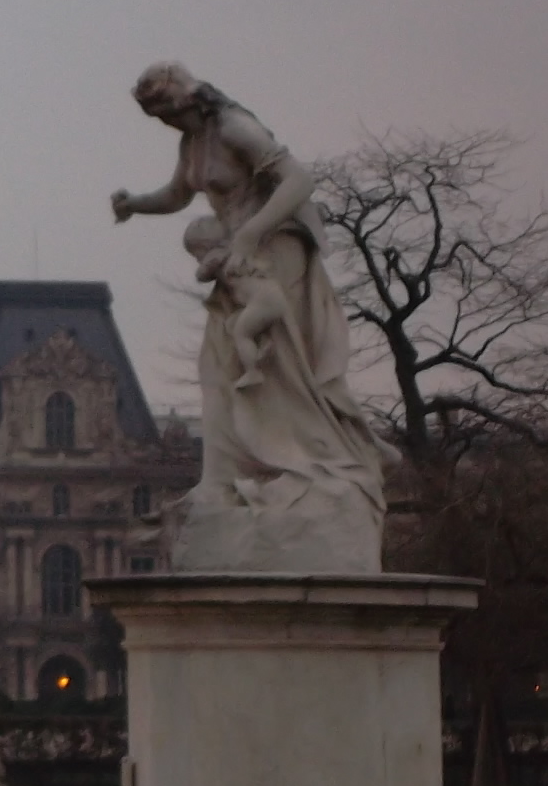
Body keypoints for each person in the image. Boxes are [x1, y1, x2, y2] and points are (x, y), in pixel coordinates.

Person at [112, 62, 390, 571]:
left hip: (272, 249)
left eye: (166, 111)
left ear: (187, 98)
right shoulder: (193, 141)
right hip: (234, 255)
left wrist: (250, 233)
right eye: (157, 118)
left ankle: (303, 463)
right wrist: (135, 204)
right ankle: (224, 478)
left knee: (276, 369)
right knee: (219, 366)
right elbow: (179, 194)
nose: (166, 122)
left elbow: (299, 181)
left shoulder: (235, 127)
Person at [184, 214, 288, 390]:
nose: (197, 259)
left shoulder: (216, 255)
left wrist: (204, 266)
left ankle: (253, 372)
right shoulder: (234, 250)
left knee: (241, 333)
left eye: (196, 254)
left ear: (204, 245)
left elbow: (201, 275)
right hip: (268, 296)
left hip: (263, 300)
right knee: (233, 324)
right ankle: (261, 346)